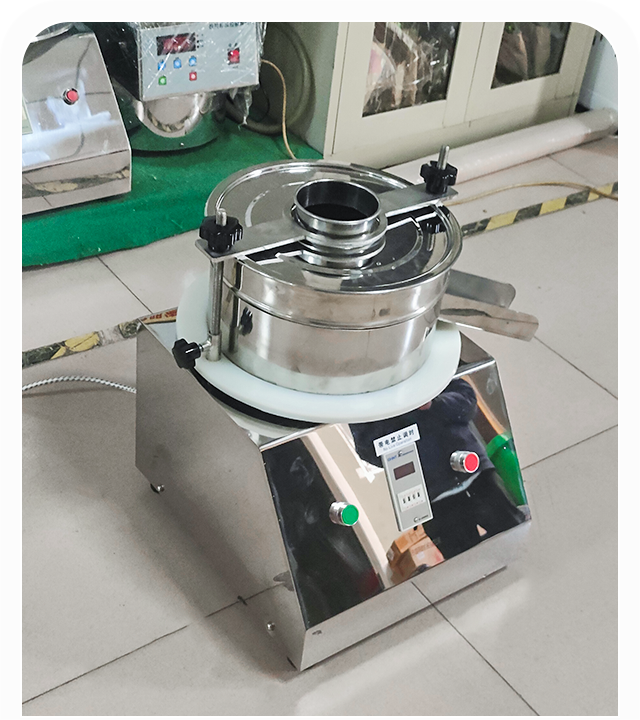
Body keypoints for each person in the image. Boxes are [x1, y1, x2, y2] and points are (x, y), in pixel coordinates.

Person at [350, 378, 526, 559]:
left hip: (478, 478)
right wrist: (399, 414)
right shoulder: (363, 393)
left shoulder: (419, 369)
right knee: (467, 566)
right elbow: (367, 448)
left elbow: (467, 401)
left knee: (521, 542)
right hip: (434, 500)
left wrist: (433, 404)